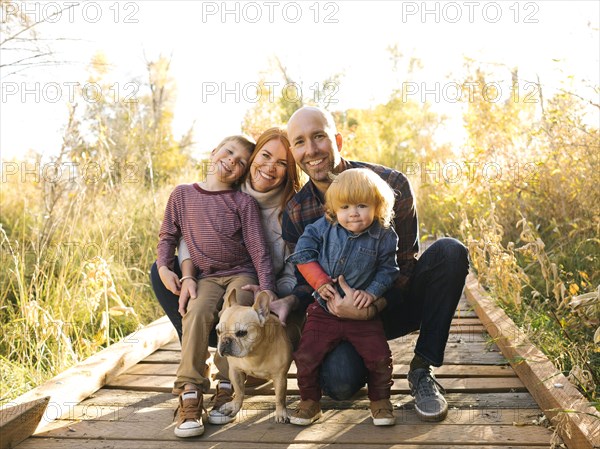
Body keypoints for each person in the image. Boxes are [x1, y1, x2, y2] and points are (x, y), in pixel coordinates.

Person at [280, 106, 470, 422]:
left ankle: (422, 369)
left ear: (337, 139)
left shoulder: (390, 183)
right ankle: (362, 368)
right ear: (293, 152)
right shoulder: (297, 212)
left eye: (319, 137)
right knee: (340, 385)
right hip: (338, 316)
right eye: (300, 142)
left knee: (450, 252)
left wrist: (372, 305)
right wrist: (322, 302)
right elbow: (304, 277)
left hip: (390, 303)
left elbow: (406, 266)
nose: (311, 150)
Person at [151, 128, 305, 430]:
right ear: (213, 152)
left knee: (237, 309)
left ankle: (227, 384)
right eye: (229, 152)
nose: (232, 161)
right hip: (207, 276)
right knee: (195, 310)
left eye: (282, 163)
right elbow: (171, 234)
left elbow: (259, 251)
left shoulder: (246, 203)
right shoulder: (183, 194)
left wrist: (267, 290)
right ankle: (190, 388)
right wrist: (174, 271)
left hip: (243, 273)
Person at [287, 168, 399, 426]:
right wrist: (319, 281)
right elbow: (303, 253)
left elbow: (388, 270)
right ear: (334, 209)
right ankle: (309, 401)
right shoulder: (324, 227)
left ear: (377, 206)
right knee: (306, 356)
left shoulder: (384, 235)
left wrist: (371, 293)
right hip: (324, 310)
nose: (354, 213)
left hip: (362, 313)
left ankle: (380, 401)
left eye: (362, 205)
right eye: (345, 206)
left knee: (379, 357)